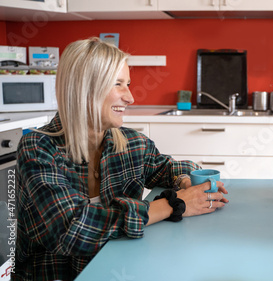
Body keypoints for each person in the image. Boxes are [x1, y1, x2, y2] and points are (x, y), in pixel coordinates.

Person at [13, 38, 228, 281]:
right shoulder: (38, 148)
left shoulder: (131, 142)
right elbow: (72, 229)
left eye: (128, 84)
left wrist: (185, 180)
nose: (130, 98)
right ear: (85, 89)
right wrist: (172, 205)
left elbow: (167, 168)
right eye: (118, 84)